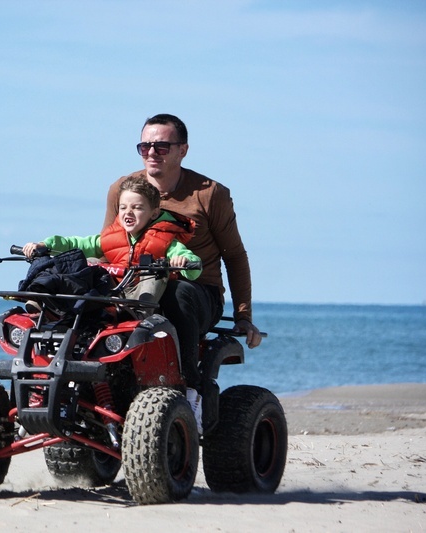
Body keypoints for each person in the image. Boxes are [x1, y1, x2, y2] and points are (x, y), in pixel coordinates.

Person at [103, 114, 262, 426]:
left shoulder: (209, 194)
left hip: (196, 291)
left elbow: (235, 256)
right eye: (145, 146)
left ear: (182, 150)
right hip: (135, 287)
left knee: (177, 292)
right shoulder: (122, 189)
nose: (151, 153)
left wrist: (243, 315)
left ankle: (191, 391)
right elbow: (108, 245)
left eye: (161, 147)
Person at [23, 175, 202, 312]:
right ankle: (45, 301)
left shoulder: (165, 239)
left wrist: (182, 261)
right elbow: (78, 243)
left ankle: (138, 317)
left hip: (141, 295)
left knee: (155, 273)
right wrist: (45, 245)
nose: (128, 212)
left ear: (153, 213)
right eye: (123, 207)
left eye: (137, 207)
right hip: (109, 291)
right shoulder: (112, 236)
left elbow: (190, 262)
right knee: (81, 262)